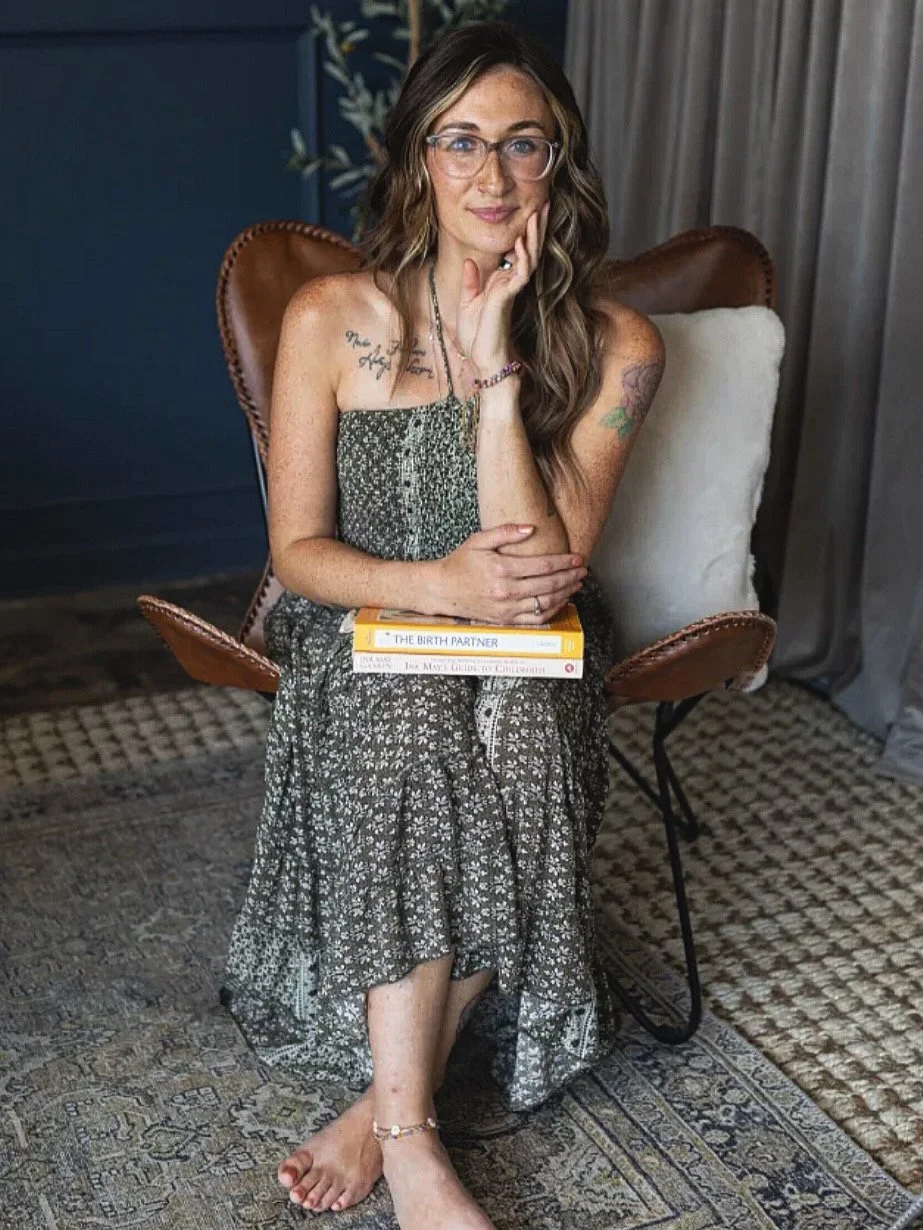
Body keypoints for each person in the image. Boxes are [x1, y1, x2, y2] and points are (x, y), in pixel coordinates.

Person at [220, 18, 665, 1229]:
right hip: (368, 622)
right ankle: (417, 1144)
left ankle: (381, 1112)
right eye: (459, 141)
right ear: (417, 156)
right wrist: (431, 589)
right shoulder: (329, 317)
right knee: (412, 721)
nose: (489, 175)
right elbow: (298, 553)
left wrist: (497, 375)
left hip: (536, 634)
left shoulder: (618, 345)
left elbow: (543, 577)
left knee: (521, 738)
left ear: (557, 163)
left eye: (522, 145)